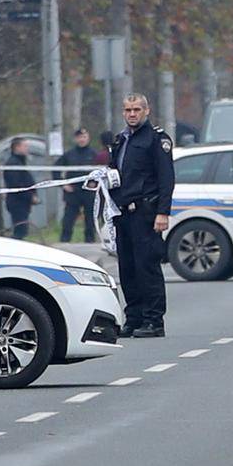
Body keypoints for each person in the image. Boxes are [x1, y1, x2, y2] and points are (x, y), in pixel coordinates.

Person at [109, 93, 175, 338]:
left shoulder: (156, 139)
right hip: (123, 214)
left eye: (137, 109)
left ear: (147, 111)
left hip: (146, 213)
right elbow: (114, 174)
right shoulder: (120, 140)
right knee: (127, 268)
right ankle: (133, 317)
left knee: (147, 267)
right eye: (128, 110)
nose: (132, 114)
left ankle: (153, 320)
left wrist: (163, 213)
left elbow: (166, 178)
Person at [58, 128, 98, 243]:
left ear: (88, 138)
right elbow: (55, 170)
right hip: (73, 192)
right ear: (76, 139)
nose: (82, 139)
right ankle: (64, 242)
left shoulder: (94, 154)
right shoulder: (69, 154)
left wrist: (95, 183)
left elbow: (102, 171)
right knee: (68, 219)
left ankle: (90, 241)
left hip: (88, 192)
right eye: (79, 137)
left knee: (90, 218)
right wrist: (63, 184)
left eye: (84, 137)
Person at [3, 138, 37, 240]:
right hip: (17, 201)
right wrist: (30, 196)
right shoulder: (13, 164)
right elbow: (16, 185)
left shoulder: (21, 162)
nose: (27, 149)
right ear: (17, 147)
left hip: (23, 201)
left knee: (23, 229)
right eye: (25, 146)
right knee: (20, 230)